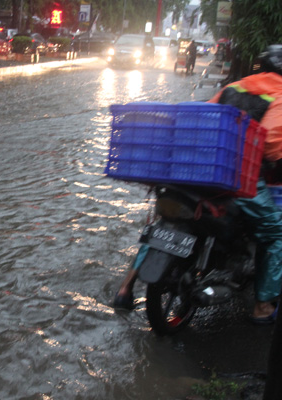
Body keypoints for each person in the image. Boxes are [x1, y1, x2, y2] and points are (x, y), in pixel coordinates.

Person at [113, 44, 282, 324]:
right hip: (242, 179)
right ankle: (262, 306)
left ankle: (124, 288)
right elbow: (274, 147)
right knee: (275, 234)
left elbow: (203, 118)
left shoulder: (235, 86)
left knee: (162, 226)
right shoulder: (279, 95)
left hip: (200, 170)